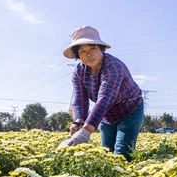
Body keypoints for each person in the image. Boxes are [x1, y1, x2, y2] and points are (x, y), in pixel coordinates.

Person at [60, 26, 144, 161]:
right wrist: (78, 122)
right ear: (78, 56)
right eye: (83, 51)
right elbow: (79, 100)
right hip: (106, 115)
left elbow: (105, 98)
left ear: (101, 49)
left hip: (130, 110)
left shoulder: (113, 66)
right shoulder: (79, 72)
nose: (89, 54)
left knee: (122, 153)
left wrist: (85, 133)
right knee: (107, 153)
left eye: (92, 48)